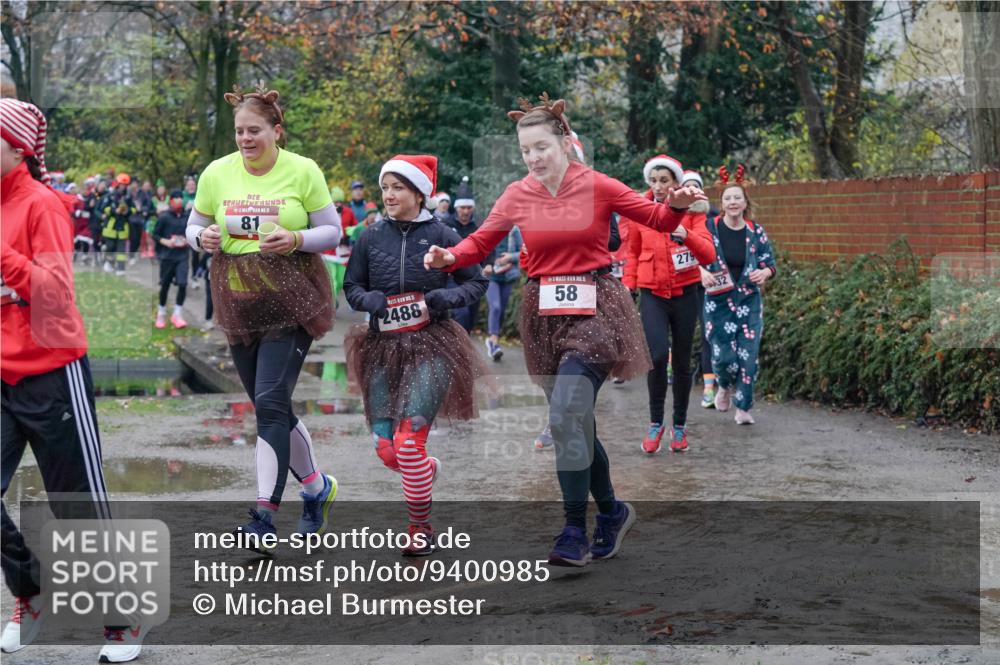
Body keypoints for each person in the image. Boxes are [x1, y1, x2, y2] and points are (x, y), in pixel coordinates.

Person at [424, 95, 706, 566]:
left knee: (564, 416)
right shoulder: (518, 194)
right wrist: (451, 256)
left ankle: (575, 529)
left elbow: (655, 218)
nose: (533, 159)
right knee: (575, 418)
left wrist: (675, 208)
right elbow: (481, 241)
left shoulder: (597, 185)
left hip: (597, 308)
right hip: (543, 313)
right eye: (525, 151)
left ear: (564, 144)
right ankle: (612, 511)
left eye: (541, 148)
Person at [0, 98, 142, 662]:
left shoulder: (42, 205)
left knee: (77, 507)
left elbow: (54, 292)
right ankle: (29, 593)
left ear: (18, 148)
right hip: (1, 376)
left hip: (54, 374)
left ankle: (123, 621)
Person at [185, 84, 341, 549]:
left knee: (271, 402)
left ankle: (263, 517)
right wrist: (203, 238)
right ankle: (316, 488)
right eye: (239, 131)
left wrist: (295, 240)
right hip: (238, 299)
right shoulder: (217, 173)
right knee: (270, 406)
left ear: (277, 131)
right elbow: (194, 226)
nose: (245, 139)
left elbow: (331, 230)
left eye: (254, 130)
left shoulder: (302, 170)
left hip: (291, 298)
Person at [345, 154, 488, 556]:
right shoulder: (370, 237)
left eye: (398, 188)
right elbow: (352, 286)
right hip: (381, 348)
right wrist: (368, 299)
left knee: (409, 443)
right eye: (385, 188)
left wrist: (446, 296)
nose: (389, 195)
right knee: (386, 447)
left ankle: (420, 527)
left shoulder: (443, 233)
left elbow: (476, 282)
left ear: (419, 193)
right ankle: (425, 472)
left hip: (433, 342)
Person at [623, 156, 716, 454]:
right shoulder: (640, 212)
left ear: (676, 183)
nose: (659, 186)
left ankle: (679, 426)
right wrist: (629, 287)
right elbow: (633, 253)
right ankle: (654, 423)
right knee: (659, 355)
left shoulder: (692, 211)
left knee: (683, 361)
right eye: (654, 181)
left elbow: (709, 256)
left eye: (665, 181)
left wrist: (686, 235)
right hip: (653, 295)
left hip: (686, 293)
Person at [701, 165, 776, 425]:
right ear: (721, 203)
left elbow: (770, 263)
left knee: (749, 355)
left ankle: (743, 407)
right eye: (728, 198)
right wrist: (701, 271)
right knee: (723, 356)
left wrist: (764, 273)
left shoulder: (756, 231)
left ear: (745, 203)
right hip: (718, 302)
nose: (733, 202)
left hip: (748, 301)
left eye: (737, 198)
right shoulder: (709, 228)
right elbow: (689, 255)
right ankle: (723, 385)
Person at [680, 170, 719, 409]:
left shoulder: (713, 216)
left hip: (710, 284)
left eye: (697, 186)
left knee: (708, 333)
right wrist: (698, 270)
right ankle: (673, 370)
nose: (693, 191)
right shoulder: (675, 217)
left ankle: (708, 388)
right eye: (688, 187)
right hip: (684, 283)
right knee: (680, 333)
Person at [446, 177, 486, 332]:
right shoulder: (447, 225)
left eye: (469, 208)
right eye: (462, 207)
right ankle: (458, 347)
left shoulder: (479, 226)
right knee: (461, 311)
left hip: (473, 276)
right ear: (456, 208)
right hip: (452, 276)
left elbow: (487, 246)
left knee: (471, 315)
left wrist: (488, 263)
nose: (466, 211)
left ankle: (463, 343)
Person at [483, 224, 522, 362]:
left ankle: (494, 341)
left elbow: (524, 252)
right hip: (490, 276)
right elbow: (480, 249)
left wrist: (510, 256)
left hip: (507, 276)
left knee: (501, 310)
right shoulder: (488, 229)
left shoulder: (515, 231)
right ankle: (493, 343)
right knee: (495, 307)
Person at [152, 190, 189, 329]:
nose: (179, 201)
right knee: (165, 285)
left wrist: (188, 240)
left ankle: (177, 314)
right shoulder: (164, 217)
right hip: (167, 256)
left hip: (182, 256)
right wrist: (165, 241)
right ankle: (161, 313)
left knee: (183, 284)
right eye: (176, 198)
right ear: (171, 201)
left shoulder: (187, 216)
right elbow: (154, 234)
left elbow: (192, 232)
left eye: (181, 198)